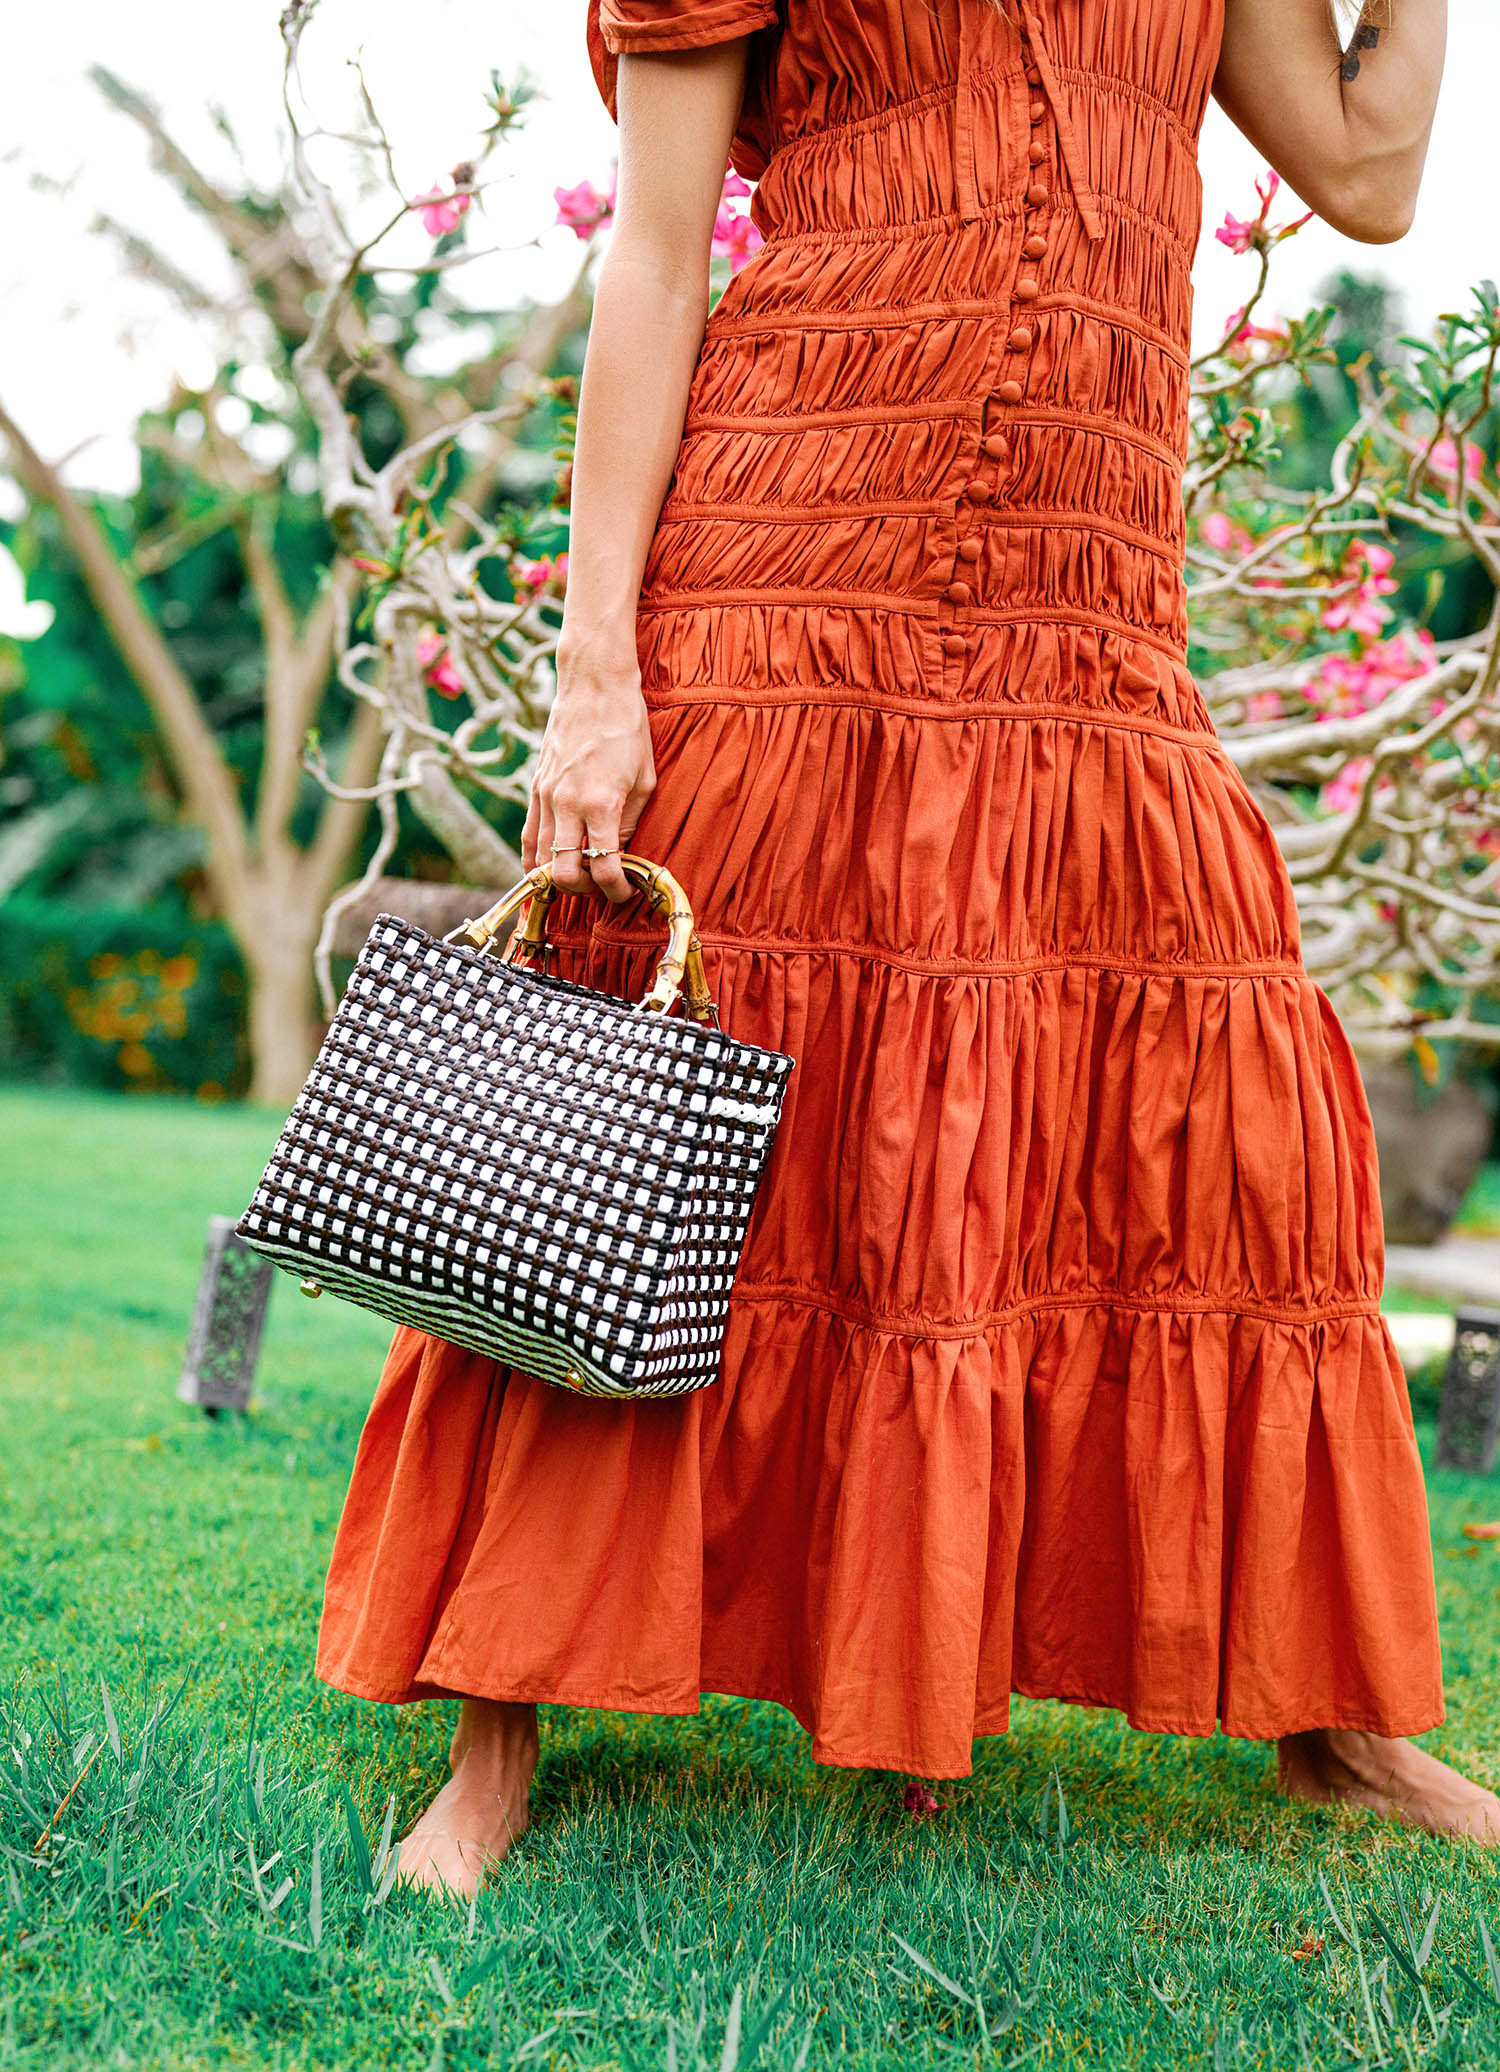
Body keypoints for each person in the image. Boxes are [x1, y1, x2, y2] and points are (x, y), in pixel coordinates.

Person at [314, 0, 1500, 1896]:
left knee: (1235, 1153)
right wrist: (595, 669)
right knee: (645, 1134)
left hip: (1089, 608)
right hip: (792, 566)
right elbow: (653, 253)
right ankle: (494, 1726)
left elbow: (1365, 173)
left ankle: (1334, 1725)